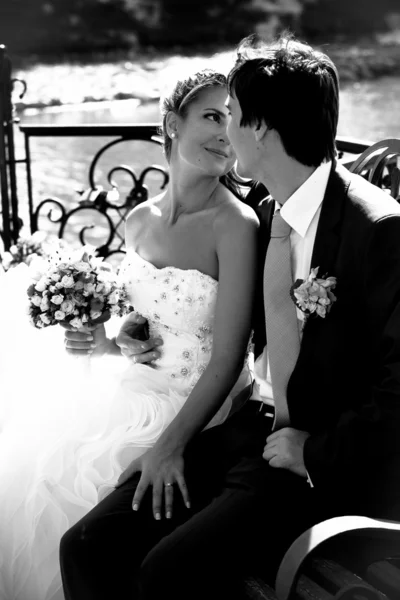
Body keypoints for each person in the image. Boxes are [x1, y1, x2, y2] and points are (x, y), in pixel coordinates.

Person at [60, 31, 400, 600]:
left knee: (164, 574)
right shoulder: (270, 211)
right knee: (87, 544)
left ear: (261, 128)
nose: (225, 130)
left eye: (233, 113)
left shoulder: (379, 229)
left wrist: (311, 449)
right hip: (251, 430)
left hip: (318, 463)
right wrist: (129, 335)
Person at [0, 69, 258, 600]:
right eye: (212, 115)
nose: (225, 133)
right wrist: (107, 342)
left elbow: (229, 358)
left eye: (234, 120)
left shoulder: (235, 225)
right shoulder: (139, 220)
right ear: (171, 124)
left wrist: (169, 447)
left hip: (203, 410)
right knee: (38, 476)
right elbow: (142, 329)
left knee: (95, 515)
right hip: (137, 388)